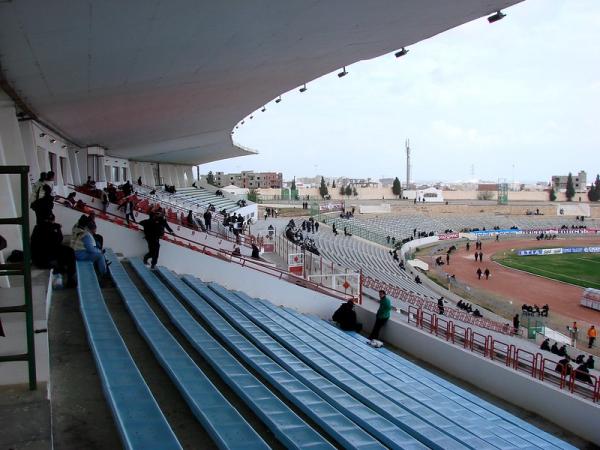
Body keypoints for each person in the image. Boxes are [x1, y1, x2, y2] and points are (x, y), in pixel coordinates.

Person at [31, 214, 76, 287]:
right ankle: (70, 279)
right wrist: (57, 229)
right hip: (44, 258)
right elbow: (57, 241)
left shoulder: (37, 227)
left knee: (66, 251)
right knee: (69, 251)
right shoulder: (52, 228)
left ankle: (66, 273)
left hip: (38, 258)